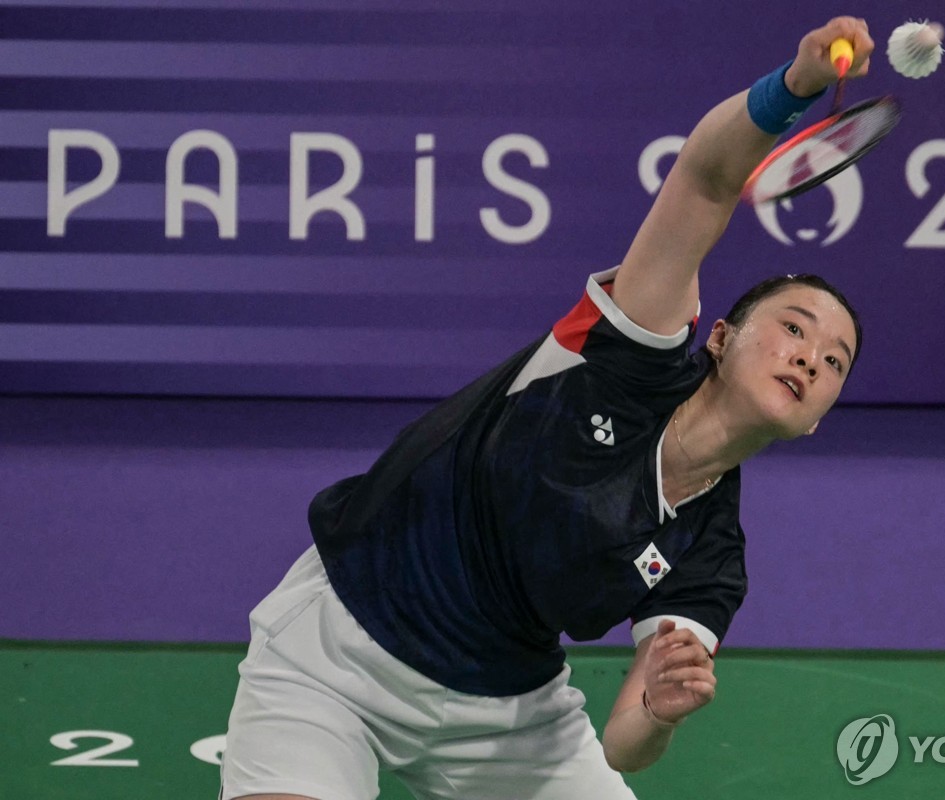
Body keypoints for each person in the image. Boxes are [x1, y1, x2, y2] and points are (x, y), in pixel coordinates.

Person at [221, 14, 871, 800]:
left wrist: (659, 714)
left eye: (833, 361)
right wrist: (796, 86)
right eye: (793, 330)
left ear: (817, 418)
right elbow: (704, 177)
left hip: (505, 713)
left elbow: (627, 741)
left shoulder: (709, 555)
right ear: (722, 338)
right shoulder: (631, 354)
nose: (809, 356)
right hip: (341, 644)